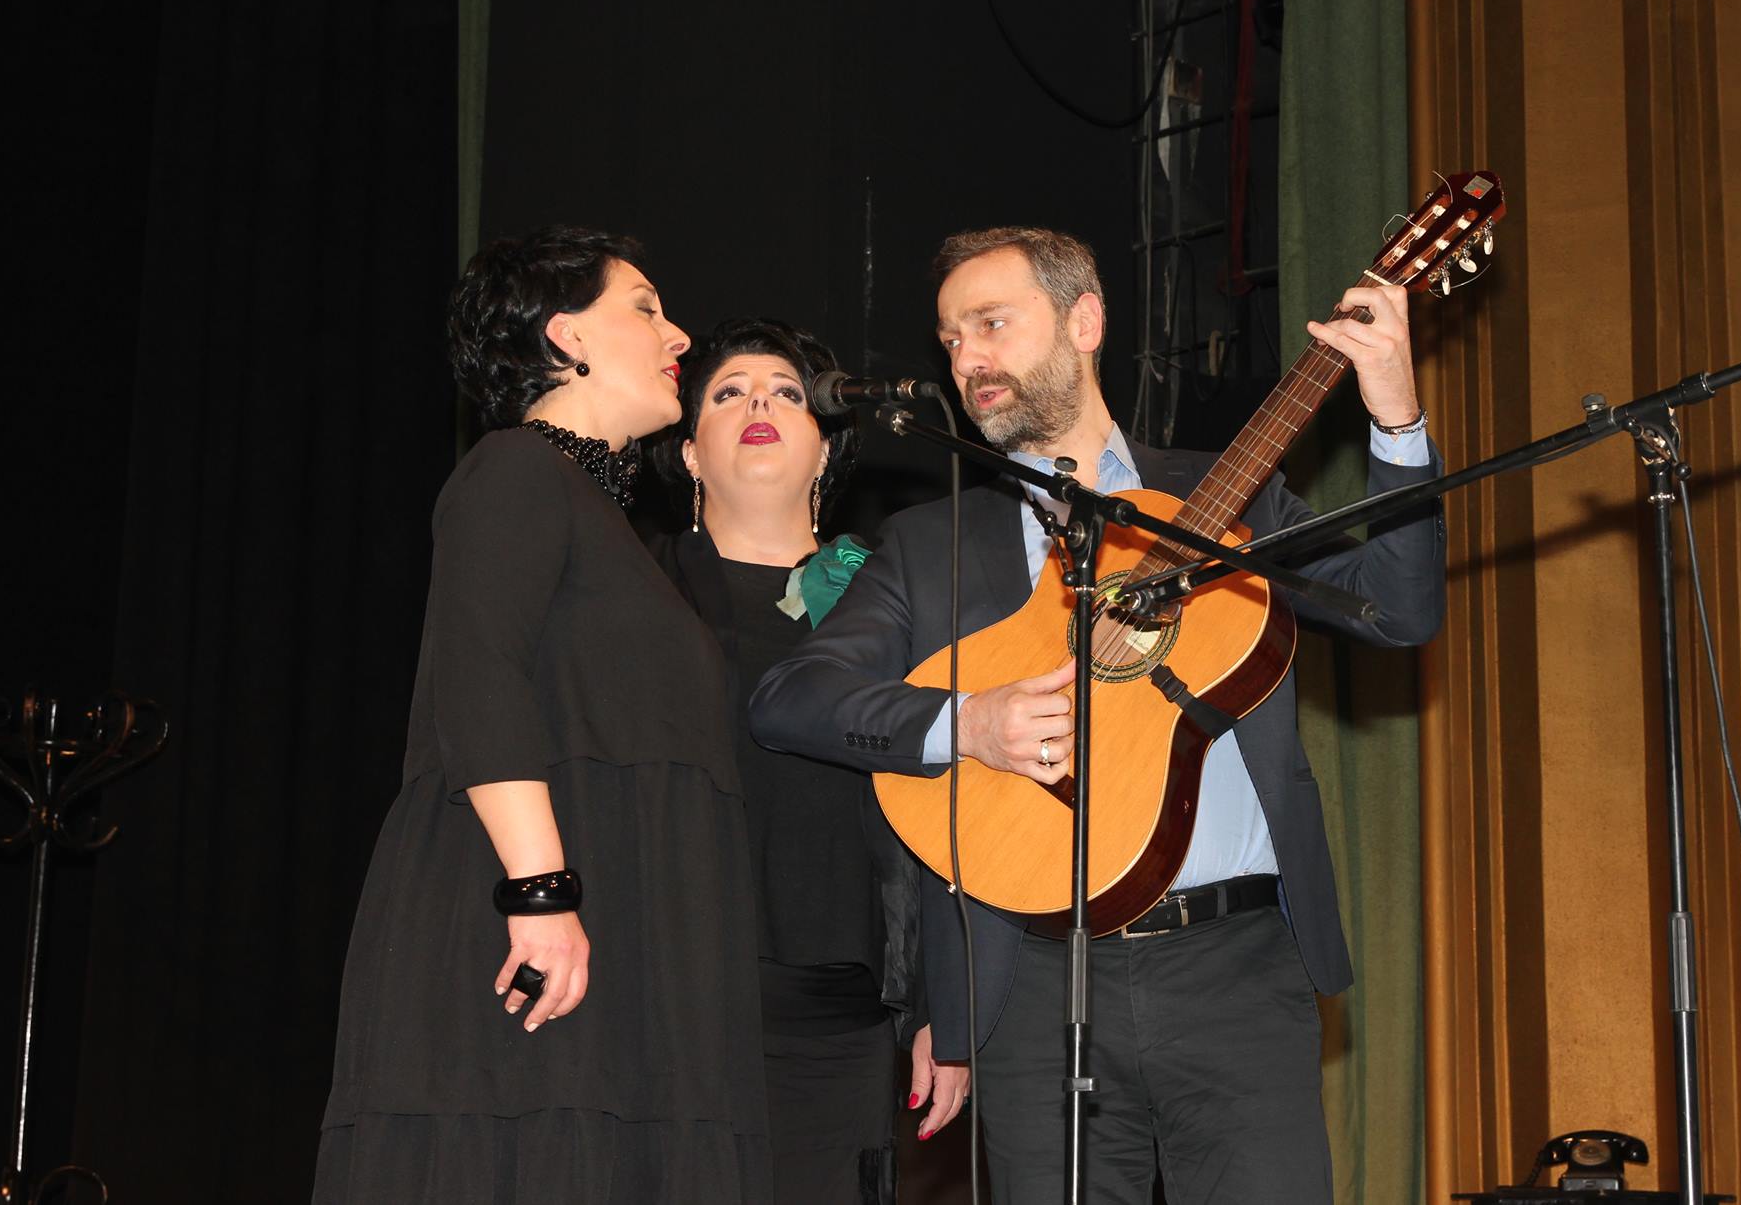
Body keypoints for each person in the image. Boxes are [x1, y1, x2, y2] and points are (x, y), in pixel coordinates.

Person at [749, 226, 1445, 1203]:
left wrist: (1396, 420)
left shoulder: (1228, 496)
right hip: (1032, 982)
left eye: (991, 323)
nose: (967, 357)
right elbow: (789, 699)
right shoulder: (930, 545)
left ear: (1084, 321)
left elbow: (1398, 610)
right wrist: (969, 722)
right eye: (950, 338)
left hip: (1237, 973)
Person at [315, 227, 769, 1203]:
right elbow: (478, 677)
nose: (678, 334)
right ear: (566, 335)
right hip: (530, 911)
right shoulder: (514, 469)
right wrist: (540, 895)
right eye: (645, 308)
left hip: (618, 920)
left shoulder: (610, 524)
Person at [648, 318, 969, 1205]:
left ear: (825, 451)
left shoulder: (894, 603)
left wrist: (939, 1004)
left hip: (838, 1020)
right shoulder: (638, 590)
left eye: (787, 393)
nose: (759, 401)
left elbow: (945, 810)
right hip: (669, 1002)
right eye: (729, 392)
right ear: (689, 452)